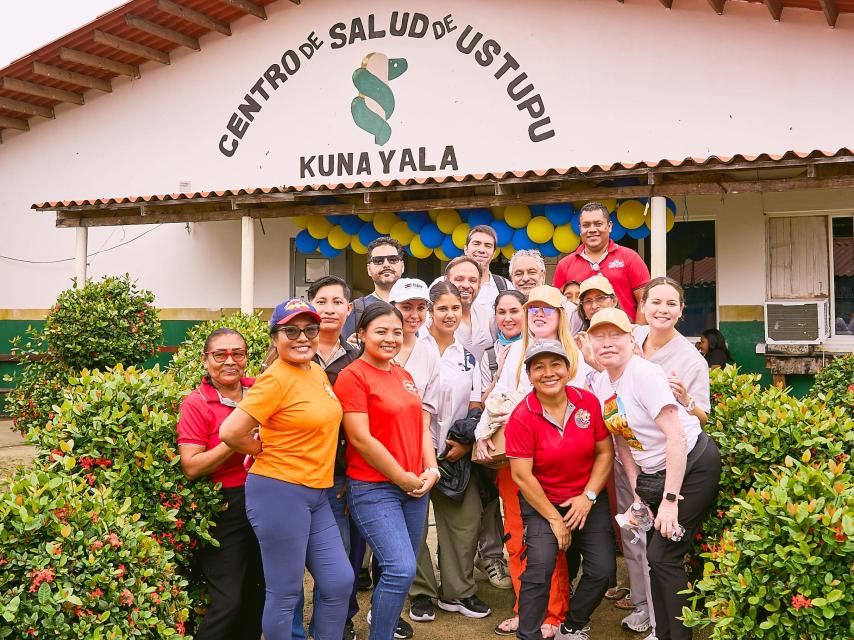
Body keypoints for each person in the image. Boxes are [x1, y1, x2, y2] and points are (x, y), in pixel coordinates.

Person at [219, 299, 353, 640]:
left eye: (310, 329)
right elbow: (231, 432)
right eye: (291, 330)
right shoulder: (275, 379)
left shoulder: (316, 371)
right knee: (285, 592)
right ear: (275, 337)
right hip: (278, 491)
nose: (302, 337)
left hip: (317, 492)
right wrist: (260, 449)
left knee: (339, 581)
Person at [587, 308, 721, 640]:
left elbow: (675, 437)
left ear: (632, 340)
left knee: (664, 555)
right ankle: (665, 634)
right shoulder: (602, 383)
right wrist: (638, 498)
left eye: (615, 335)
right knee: (655, 558)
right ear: (588, 342)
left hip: (693, 465)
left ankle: (678, 635)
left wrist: (670, 502)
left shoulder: (644, 375)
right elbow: (623, 443)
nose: (607, 343)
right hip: (656, 473)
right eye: (598, 336)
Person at [475, 285, 591, 639]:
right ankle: (525, 609)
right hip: (515, 461)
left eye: (548, 309)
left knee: (551, 540)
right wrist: (482, 433)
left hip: (555, 465)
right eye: (533, 309)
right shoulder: (514, 352)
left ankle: (553, 614)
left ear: (562, 314)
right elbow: (497, 398)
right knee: (517, 537)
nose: (539, 315)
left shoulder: (577, 358)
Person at [333, 303, 441, 640]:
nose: (391, 338)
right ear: (362, 334)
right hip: (375, 488)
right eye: (381, 331)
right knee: (401, 568)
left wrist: (431, 468)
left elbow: (421, 426)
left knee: (400, 573)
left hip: (415, 487)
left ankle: (382, 628)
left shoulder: (404, 375)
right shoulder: (352, 376)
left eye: (397, 332)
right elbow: (360, 439)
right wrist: (401, 477)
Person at [613, 277, 711, 636]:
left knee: (662, 554)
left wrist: (685, 400)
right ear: (642, 306)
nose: (662, 310)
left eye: (672, 304)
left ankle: (672, 630)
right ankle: (657, 624)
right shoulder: (632, 338)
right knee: (649, 551)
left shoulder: (691, 359)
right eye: (656, 302)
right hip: (642, 462)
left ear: (682, 311)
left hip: (681, 462)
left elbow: (701, 416)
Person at [506, 339, 615, 640]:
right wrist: (554, 519)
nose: (548, 372)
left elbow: (605, 453)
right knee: (539, 569)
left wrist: (588, 497)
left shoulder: (588, 402)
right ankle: (528, 635)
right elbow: (522, 475)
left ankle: (572, 624)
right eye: (538, 366)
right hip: (543, 502)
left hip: (587, 498)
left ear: (568, 369)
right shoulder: (522, 416)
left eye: (555, 364)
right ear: (529, 375)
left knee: (603, 571)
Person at [409, 281, 490, 622]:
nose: (449, 314)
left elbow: (475, 404)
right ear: (429, 311)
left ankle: (458, 591)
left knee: (465, 523)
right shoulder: (411, 347)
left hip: (455, 453)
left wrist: (466, 442)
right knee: (413, 526)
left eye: (455, 308)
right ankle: (420, 593)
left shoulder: (470, 356)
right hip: (413, 450)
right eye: (442, 308)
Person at [177, 328, 264, 640]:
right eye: (220, 354)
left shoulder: (260, 391)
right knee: (229, 600)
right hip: (226, 505)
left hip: (267, 497)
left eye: (237, 354)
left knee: (258, 594)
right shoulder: (197, 403)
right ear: (205, 360)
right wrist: (236, 436)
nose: (230, 361)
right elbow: (191, 466)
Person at [293, 276, 360, 640]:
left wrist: (353, 477)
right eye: (322, 301)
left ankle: (334, 625)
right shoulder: (293, 353)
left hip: (338, 476)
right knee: (291, 561)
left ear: (349, 310)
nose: (330, 309)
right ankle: (291, 628)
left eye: (338, 302)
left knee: (339, 557)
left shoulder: (358, 358)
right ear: (310, 308)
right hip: (294, 474)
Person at [553, 202, 651, 322]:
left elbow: (645, 301)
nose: (592, 229)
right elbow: (556, 307)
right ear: (580, 229)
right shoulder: (564, 265)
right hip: (579, 337)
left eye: (598, 224)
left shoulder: (630, 257)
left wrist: (637, 336)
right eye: (586, 225)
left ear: (609, 226)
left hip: (623, 336)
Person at [342, 237, 406, 338]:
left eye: (393, 259)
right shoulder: (356, 309)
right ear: (368, 269)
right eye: (378, 260)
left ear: (402, 266)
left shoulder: (418, 307)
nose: (386, 264)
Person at [444, 256, 495, 362]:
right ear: (446, 282)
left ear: (479, 285)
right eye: (459, 279)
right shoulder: (432, 319)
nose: (466, 285)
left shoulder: (487, 315)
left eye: (472, 280)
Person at [465, 224, 513, 312]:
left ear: (494, 253)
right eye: (476, 244)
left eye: (488, 246)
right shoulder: (445, 283)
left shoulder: (505, 287)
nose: (481, 250)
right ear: (466, 249)